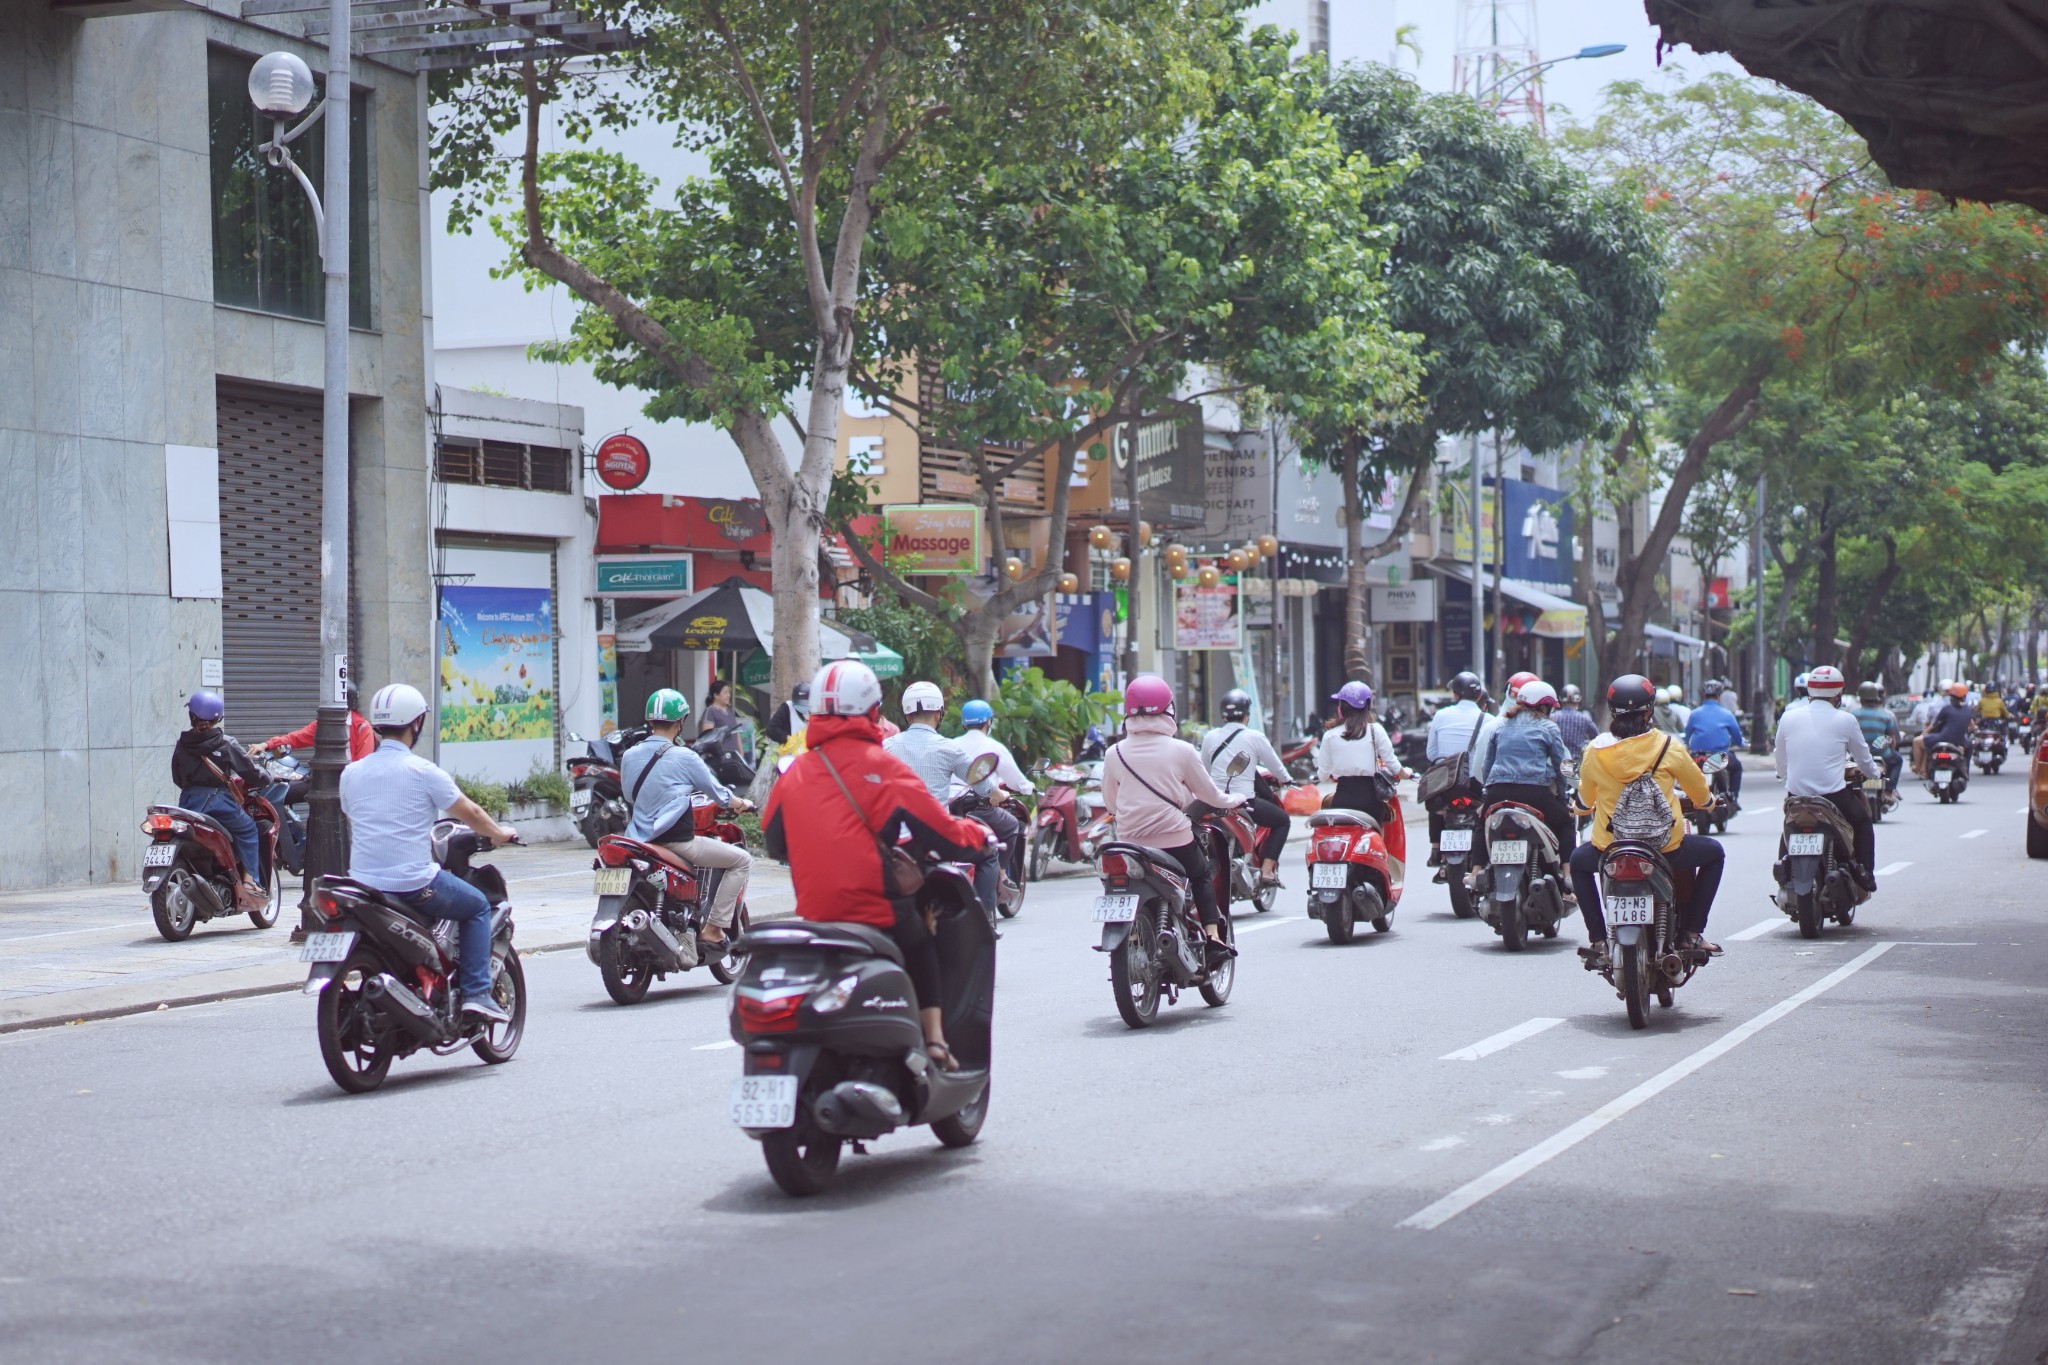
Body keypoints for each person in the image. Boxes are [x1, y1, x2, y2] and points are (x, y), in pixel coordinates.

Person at [762, 661, 997, 1070]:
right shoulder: (883, 767)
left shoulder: (796, 772)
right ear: (874, 711)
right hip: (874, 912)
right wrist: (979, 838)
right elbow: (942, 832)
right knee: (923, 942)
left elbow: (774, 843)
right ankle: (937, 1043)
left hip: (814, 916)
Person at [339, 684, 520, 1025]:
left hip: (362, 884)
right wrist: (499, 834)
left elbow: (355, 816)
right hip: (412, 883)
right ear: (416, 724)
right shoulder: (423, 772)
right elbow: (472, 813)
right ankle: (478, 994)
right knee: (478, 905)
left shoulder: (351, 773)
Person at [1570, 674, 1725, 969]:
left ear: (1613, 711)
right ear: (1649, 710)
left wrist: (1578, 808)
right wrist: (1709, 804)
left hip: (1611, 846)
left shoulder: (1594, 751)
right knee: (1714, 854)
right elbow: (1699, 792)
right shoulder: (1669, 746)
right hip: (1665, 846)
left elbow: (1586, 800)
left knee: (1578, 862)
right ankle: (1691, 934)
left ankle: (1598, 939)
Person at [1100, 675, 1246, 961]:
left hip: (1129, 843)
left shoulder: (1113, 753)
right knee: (1202, 874)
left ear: (1129, 711)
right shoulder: (1182, 750)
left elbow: (1111, 803)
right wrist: (1235, 800)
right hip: (1175, 840)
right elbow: (1211, 796)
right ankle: (1213, 937)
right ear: (1169, 710)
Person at [623, 688, 755, 955]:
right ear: (680, 721)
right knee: (742, 860)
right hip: (675, 842)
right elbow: (719, 795)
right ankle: (714, 928)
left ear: (651, 721)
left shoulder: (629, 755)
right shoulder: (685, 757)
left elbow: (628, 794)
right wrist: (742, 804)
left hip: (637, 841)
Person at [884, 682, 997, 910]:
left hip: (894, 837)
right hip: (936, 836)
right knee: (990, 852)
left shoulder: (886, 747)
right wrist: (998, 794)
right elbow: (984, 786)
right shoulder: (949, 748)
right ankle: (984, 919)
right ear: (939, 712)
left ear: (907, 714)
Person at [1775, 665, 1880, 889]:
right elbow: (1863, 759)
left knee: (1789, 825)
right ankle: (1865, 873)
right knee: (1862, 822)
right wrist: (1875, 774)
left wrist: (1784, 777)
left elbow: (1780, 758)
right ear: (1838, 693)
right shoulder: (1846, 720)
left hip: (1796, 795)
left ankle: (1783, 872)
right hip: (1834, 796)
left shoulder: (1788, 718)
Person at [172, 690, 269, 910]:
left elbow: (177, 777)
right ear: (218, 718)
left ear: (192, 716)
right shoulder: (225, 743)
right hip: (219, 803)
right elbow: (250, 773)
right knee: (248, 830)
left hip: (188, 804)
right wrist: (266, 777)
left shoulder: (182, 743)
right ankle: (250, 880)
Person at [1473, 679, 1575, 876]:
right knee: (1566, 822)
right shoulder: (1549, 728)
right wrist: (1563, 799)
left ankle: (1476, 872)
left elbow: (1488, 764)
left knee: (1481, 820)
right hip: (1535, 793)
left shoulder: (1500, 725)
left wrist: (1488, 792)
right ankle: (1568, 874)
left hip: (1498, 791)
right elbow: (1562, 765)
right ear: (1545, 706)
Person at [1199, 688, 1290, 886]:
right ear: (1247, 716)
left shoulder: (1210, 737)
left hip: (1212, 801)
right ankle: (1266, 871)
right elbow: (1275, 767)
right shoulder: (1255, 737)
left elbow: (1204, 769)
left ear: (1223, 716)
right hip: (1243, 802)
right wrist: (1287, 779)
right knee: (1282, 821)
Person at [953, 698, 1030, 883]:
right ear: (988, 722)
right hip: (979, 807)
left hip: (951, 806)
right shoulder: (994, 747)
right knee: (1012, 825)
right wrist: (1029, 788)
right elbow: (1016, 780)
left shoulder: (952, 744)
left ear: (964, 723)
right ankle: (1001, 873)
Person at [1424, 671, 1494, 874]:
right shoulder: (1489, 720)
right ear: (1479, 696)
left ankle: (1436, 848)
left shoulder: (1441, 715)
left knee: (1435, 798)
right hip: (1475, 786)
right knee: (1486, 815)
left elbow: (1432, 754)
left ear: (1455, 694)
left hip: (1447, 783)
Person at [256, 685, 376, 762]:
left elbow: (364, 763)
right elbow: (297, 738)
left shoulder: (362, 727)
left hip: (351, 782)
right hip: (325, 778)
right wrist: (267, 744)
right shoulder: (324, 723)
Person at [1684, 678, 1748, 800]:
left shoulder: (1695, 714)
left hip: (1697, 757)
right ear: (1719, 696)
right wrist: (1741, 743)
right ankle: (1733, 795)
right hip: (1719, 757)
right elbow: (1737, 737)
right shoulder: (1727, 714)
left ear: (1703, 695)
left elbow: (1687, 736)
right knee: (1737, 767)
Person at [1852, 682, 1904, 792]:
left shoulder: (1852, 715)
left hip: (1858, 756)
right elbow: (1893, 740)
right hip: (1882, 754)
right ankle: (1890, 790)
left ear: (1861, 699)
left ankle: (1854, 791)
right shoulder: (1887, 715)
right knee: (1898, 760)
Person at [1915, 681, 1973, 777]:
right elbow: (1972, 726)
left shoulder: (1946, 708)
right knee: (1970, 745)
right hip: (1960, 741)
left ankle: (1918, 768)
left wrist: (1923, 734)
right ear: (1964, 696)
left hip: (1942, 738)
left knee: (1916, 741)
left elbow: (1933, 725)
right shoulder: (1968, 709)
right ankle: (1966, 770)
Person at [1554, 684, 1599, 761]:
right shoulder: (1584, 718)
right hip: (1577, 763)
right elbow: (1597, 737)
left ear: (1561, 700)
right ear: (1578, 701)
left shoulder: (1553, 717)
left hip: (1558, 762)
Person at [699, 679, 742, 753]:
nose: (728, 695)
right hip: (721, 756)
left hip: (734, 754)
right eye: (725, 693)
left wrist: (741, 751)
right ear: (716, 695)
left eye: (729, 692)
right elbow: (707, 738)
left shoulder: (730, 711)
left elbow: (736, 733)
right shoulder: (711, 711)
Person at [763, 682, 811, 747]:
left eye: (804, 704)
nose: (802, 706)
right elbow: (771, 729)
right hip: (790, 750)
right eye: (799, 704)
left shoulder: (814, 710)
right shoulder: (787, 708)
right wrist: (787, 738)